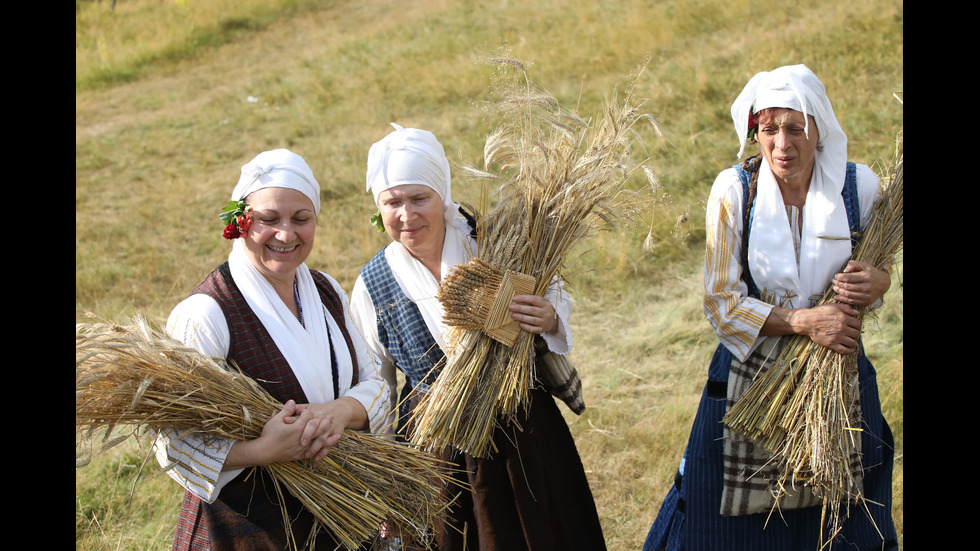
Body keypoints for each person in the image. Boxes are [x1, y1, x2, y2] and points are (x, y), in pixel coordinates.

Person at [642, 65, 898, 550]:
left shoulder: (857, 189)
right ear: (755, 131)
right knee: (734, 530)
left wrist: (877, 281)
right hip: (751, 381)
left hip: (836, 375)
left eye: (796, 128)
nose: (783, 143)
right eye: (769, 128)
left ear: (818, 128)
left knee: (841, 516)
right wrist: (804, 322)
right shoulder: (734, 193)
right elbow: (721, 304)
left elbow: (878, 275)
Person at [349, 124, 607, 550]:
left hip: (521, 423)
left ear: (442, 194)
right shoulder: (373, 284)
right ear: (379, 207)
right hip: (440, 446)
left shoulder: (490, 242)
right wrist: (387, 472)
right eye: (392, 202)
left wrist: (548, 317)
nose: (407, 215)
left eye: (419, 198)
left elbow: (556, 298)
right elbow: (378, 382)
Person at [153, 149, 390, 550]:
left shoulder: (326, 290)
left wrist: (338, 413)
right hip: (248, 526)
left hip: (339, 510)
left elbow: (374, 383)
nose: (286, 234)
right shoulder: (206, 314)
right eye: (268, 219)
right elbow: (172, 442)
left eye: (301, 219)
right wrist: (263, 450)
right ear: (240, 222)